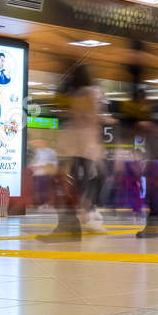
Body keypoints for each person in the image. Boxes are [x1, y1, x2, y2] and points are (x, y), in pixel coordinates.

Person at [45, 64, 103, 238]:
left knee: (67, 184)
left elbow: (81, 116)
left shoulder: (83, 94)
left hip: (76, 146)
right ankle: (75, 221)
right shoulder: (91, 93)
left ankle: (71, 223)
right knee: (77, 183)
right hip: (84, 147)